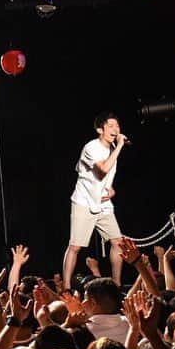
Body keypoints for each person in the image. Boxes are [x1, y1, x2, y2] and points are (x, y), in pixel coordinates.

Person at [63, 112, 128, 286]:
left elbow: (105, 178)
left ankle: (117, 284)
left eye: (117, 126)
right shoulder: (92, 147)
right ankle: (66, 286)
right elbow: (104, 169)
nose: (115, 129)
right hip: (84, 202)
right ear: (100, 129)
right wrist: (120, 145)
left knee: (118, 242)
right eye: (111, 126)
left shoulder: (112, 148)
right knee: (76, 246)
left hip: (103, 203)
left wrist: (111, 190)